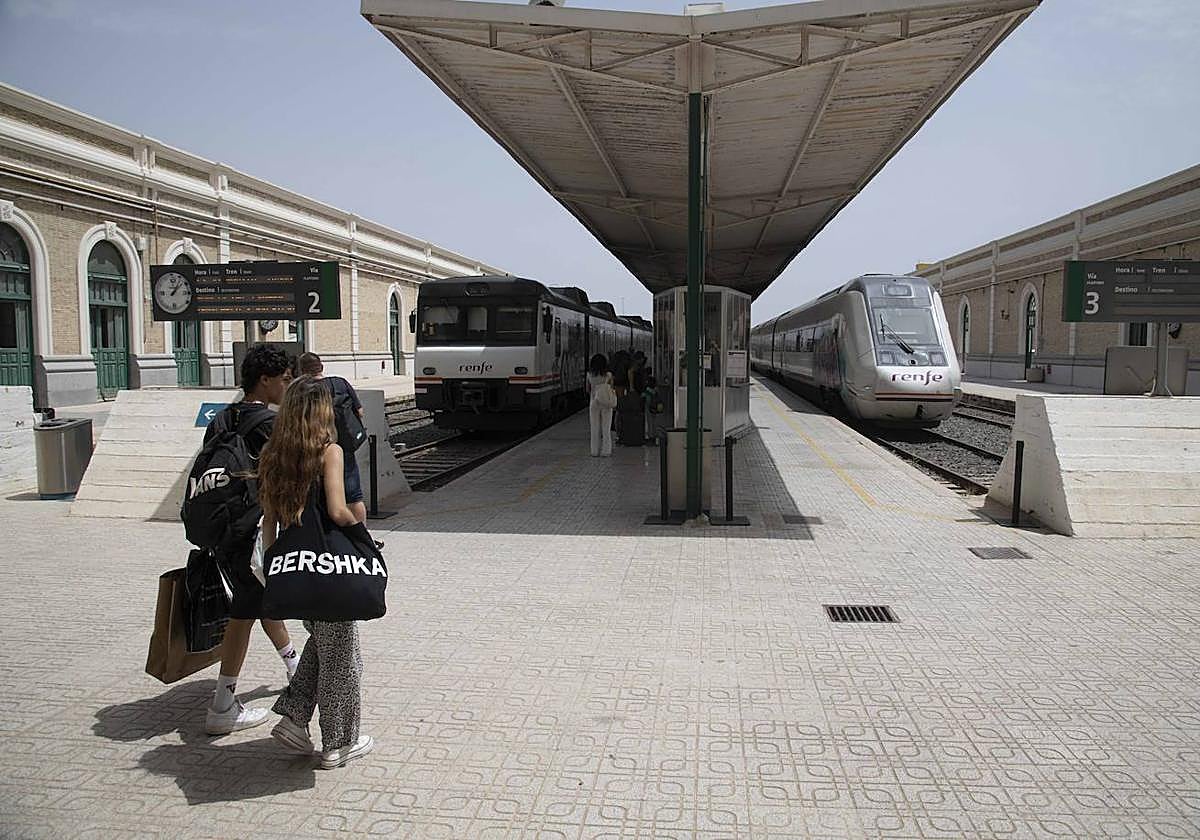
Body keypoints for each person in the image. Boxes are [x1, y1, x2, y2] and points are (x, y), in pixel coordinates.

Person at [258, 376, 374, 769]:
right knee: (342, 656)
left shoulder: (274, 453)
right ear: (321, 412)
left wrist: (271, 559)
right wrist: (365, 543)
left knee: (323, 644)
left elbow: (269, 519)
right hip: (329, 566)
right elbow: (340, 510)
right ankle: (339, 743)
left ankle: (294, 716)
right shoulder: (330, 452)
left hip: (294, 566)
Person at [205, 344, 299, 735]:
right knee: (245, 611)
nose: (287, 385)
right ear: (265, 380)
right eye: (283, 378)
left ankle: (295, 667)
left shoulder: (221, 418)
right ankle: (222, 704)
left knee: (260, 602)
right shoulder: (267, 424)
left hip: (223, 529)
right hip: (252, 532)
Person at [295, 352, 366, 524]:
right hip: (344, 444)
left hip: (316, 447)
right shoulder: (340, 383)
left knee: (321, 496)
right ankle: (364, 536)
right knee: (354, 496)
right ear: (321, 367)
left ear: (302, 370)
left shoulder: (304, 389)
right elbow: (360, 412)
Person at [586, 353, 614, 457]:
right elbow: (611, 389)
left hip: (594, 402)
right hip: (606, 403)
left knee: (594, 427)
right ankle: (606, 451)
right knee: (606, 428)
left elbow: (587, 390)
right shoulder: (609, 375)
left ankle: (594, 451)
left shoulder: (589, 375)